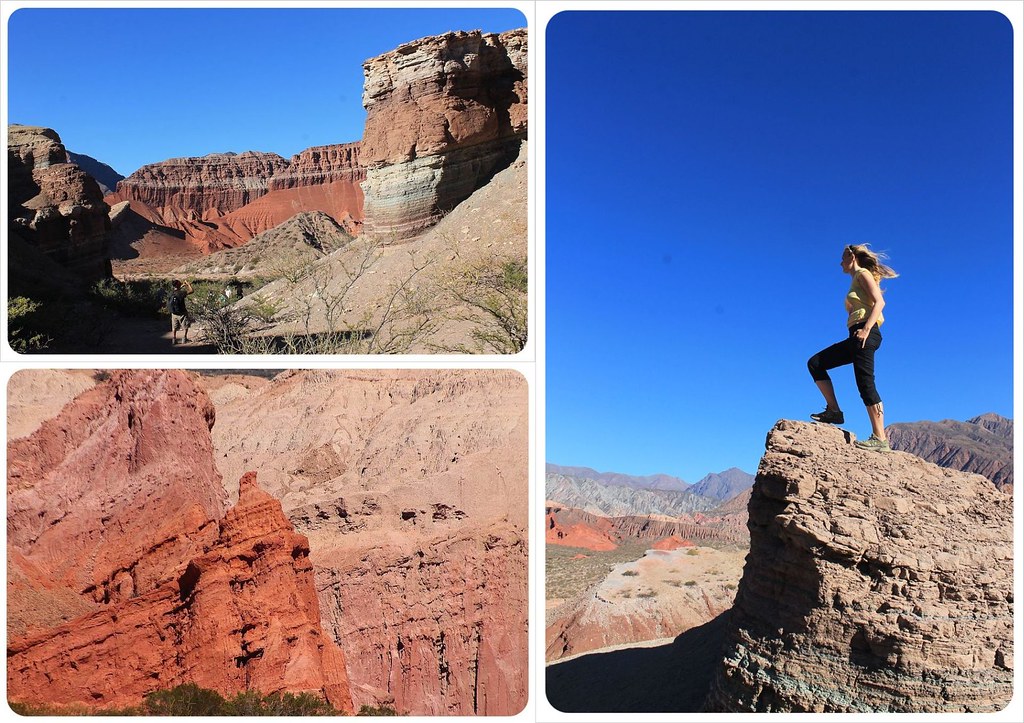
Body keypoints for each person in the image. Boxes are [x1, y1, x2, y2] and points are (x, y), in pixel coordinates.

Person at [807, 244, 898, 451]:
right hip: (855, 335)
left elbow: (880, 302)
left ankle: (880, 438)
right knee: (816, 363)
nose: (840, 263)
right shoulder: (856, 280)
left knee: (865, 384)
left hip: (866, 333)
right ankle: (834, 411)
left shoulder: (863, 274)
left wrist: (866, 329)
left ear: (852, 257)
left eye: (842, 258)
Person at [168, 279, 194, 345]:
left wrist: (182, 285)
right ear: (177, 284)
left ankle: (174, 339)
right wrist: (188, 285)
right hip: (182, 312)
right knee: (185, 325)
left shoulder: (171, 292)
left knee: (174, 327)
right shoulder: (181, 293)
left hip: (174, 313)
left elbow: (177, 289)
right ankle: (184, 338)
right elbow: (191, 291)